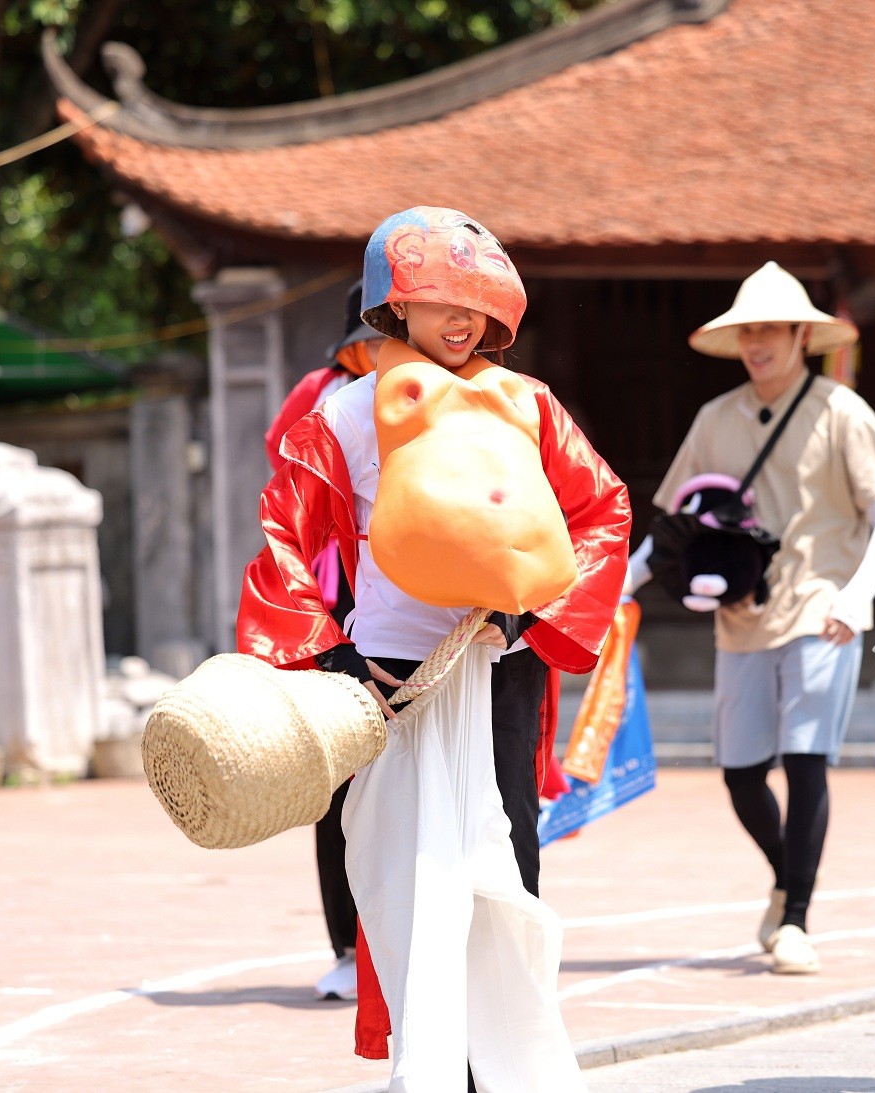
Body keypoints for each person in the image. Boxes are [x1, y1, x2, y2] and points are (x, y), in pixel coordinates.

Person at [237, 206, 629, 1090]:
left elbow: (600, 509)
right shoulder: (342, 414)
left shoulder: (528, 404)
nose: (463, 321)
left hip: (494, 665)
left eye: (480, 306)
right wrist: (329, 655)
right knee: (399, 873)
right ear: (391, 304)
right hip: (386, 684)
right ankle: (432, 1065)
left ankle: (508, 1067)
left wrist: (532, 615)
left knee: (504, 865)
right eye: (441, 299)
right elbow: (283, 542)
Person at [634, 261, 875, 975]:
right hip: (741, 611)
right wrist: (618, 588)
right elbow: (671, 524)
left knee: (805, 758)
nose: (757, 342)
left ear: (799, 335)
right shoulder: (713, 419)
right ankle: (788, 873)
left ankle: (795, 920)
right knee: (739, 770)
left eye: (769, 329)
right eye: (746, 329)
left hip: (822, 604)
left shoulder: (842, 411)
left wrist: (859, 597)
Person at [263, 279, 382, 1002]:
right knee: (335, 784)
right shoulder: (323, 394)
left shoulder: (447, 394)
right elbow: (284, 497)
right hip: (330, 613)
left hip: (413, 606)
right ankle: (345, 944)